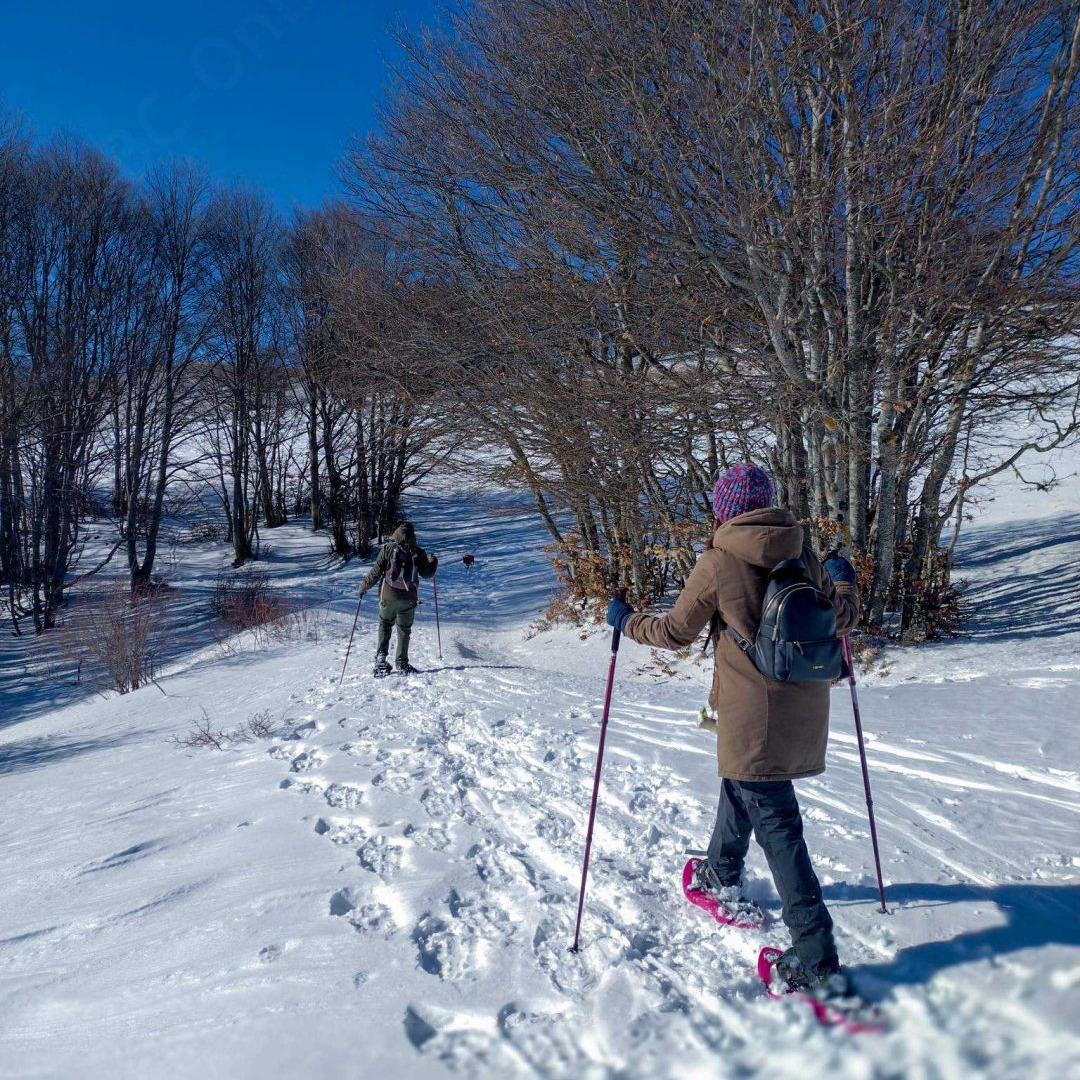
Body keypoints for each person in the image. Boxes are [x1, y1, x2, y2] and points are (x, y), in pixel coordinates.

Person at [606, 463, 859, 1001]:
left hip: (754, 717)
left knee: (779, 827)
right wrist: (842, 579)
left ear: (725, 512)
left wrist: (625, 621)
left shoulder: (720, 560)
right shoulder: (802, 552)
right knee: (741, 784)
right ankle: (720, 874)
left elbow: (674, 632)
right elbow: (843, 618)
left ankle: (816, 960)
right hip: (806, 707)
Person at [360, 522, 438, 676]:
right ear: (413, 536)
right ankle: (401, 663)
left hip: (387, 596)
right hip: (408, 597)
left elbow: (376, 572)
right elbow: (427, 573)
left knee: (385, 625)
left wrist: (364, 587)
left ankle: (381, 660)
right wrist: (433, 562)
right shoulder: (418, 552)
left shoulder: (387, 549)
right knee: (404, 630)